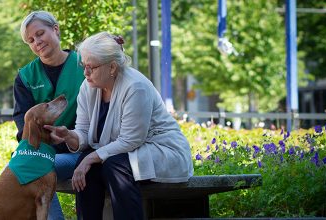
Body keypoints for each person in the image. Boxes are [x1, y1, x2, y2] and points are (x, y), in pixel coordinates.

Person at [44, 32, 194, 220]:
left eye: (91, 67)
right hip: (122, 152)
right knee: (92, 169)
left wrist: (89, 159)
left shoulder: (135, 87)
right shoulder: (88, 86)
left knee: (113, 166)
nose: (85, 73)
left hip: (160, 150)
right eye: (84, 66)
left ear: (112, 67)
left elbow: (131, 140)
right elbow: (83, 132)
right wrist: (69, 136)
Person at [12, 11, 85, 220]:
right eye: (30, 40)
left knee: (38, 168)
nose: (37, 42)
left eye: (40, 33)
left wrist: (69, 137)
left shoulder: (84, 66)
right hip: (44, 150)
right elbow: (22, 123)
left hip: (82, 148)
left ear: (56, 29)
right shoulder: (26, 76)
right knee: (25, 167)